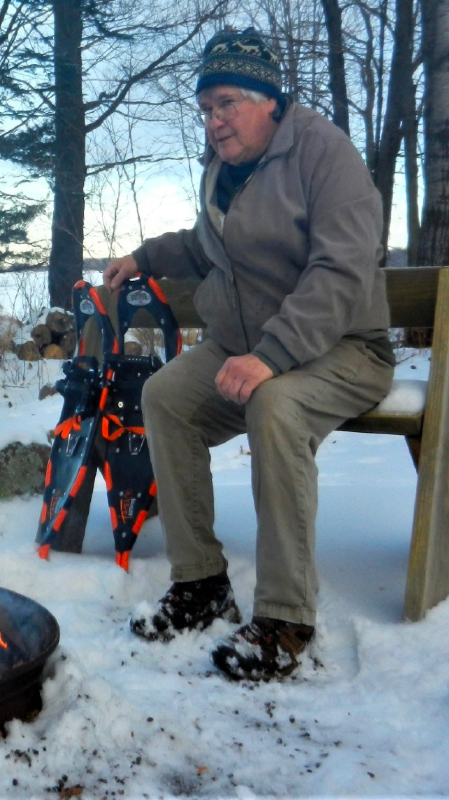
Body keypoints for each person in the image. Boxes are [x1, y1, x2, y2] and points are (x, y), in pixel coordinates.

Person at [104, 28, 395, 680]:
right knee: (166, 396)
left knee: (275, 404)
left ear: (268, 99)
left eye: (227, 103)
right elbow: (208, 246)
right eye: (206, 109)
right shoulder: (225, 172)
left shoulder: (324, 154)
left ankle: (286, 617)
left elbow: (342, 271)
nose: (214, 121)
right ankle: (201, 583)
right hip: (251, 348)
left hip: (344, 348)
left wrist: (271, 354)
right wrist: (146, 257)